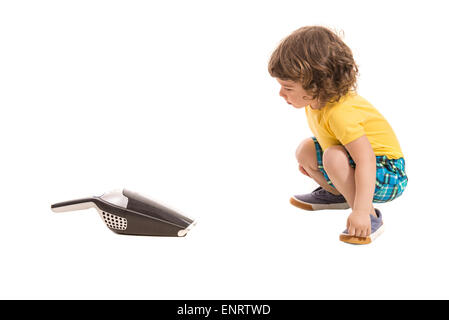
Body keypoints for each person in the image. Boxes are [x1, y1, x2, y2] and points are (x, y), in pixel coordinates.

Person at [268, 26, 408, 244]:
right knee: (305, 151)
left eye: (287, 87)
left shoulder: (341, 113)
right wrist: (319, 170)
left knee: (332, 157)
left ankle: (368, 216)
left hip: (387, 172)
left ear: (315, 84)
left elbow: (367, 161)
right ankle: (338, 195)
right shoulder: (314, 102)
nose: (281, 93)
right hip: (363, 165)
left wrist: (360, 211)